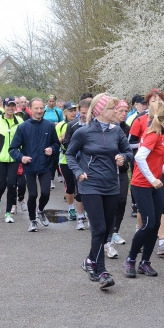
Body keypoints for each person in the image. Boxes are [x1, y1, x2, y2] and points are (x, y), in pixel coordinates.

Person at [67, 93, 133, 290]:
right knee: (99, 229)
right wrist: (78, 171)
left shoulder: (117, 131)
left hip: (111, 185)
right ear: (101, 111)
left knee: (106, 229)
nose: (117, 112)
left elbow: (129, 151)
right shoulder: (84, 132)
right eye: (113, 108)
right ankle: (102, 271)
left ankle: (90, 260)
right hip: (90, 185)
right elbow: (70, 154)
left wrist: (123, 157)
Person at [124, 100, 164, 278]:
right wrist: (153, 179)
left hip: (153, 183)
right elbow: (139, 159)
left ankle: (145, 263)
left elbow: (153, 161)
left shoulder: (160, 133)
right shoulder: (153, 134)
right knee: (148, 224)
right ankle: (131, 259)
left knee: (155, 224)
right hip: (141, 185)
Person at [9, 98, 60, 232]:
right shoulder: (23, 127)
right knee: (32, 195)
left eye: (41, 108)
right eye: (36, 108)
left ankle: (41, 210)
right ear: (30, 109)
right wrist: (22, 157)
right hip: (30, 166)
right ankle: (32, 220)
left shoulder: (49, 125)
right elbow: (12, 149)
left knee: (45, 193)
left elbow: (56, 144)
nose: (39, 111)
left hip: (45, 165)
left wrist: (52, 149)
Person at [104, 99, 131, 259]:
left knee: (121, 200)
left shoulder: (127, 129)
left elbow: (131, 150)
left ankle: (115, 231)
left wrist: (124, 157)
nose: (122, 114)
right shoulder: (105, 128)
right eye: (120, 110)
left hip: (121, 170)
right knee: (110, 203)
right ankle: (106, 236)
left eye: (125, 111)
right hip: (106, 171)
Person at [63, 98, 92, 230]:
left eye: (88, 112)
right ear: (79, 112)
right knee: (79, 191)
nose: (85, 115)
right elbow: (67, 144)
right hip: (78, 162)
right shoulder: (72, 126)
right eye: (83, 112)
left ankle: (91, 216)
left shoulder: (95, 124)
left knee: (92, 192)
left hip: (93, 163)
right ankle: (80, 218)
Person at [56, 101, 79, 221]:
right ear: (65, 112)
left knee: (81, 187)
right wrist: (61, 138)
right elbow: (54, 143)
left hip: (80, 159)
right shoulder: (60, 125)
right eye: (71, 110)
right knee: (70, 186)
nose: (73, 113)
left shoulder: (81, 124)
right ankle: (71, 209)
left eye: (75, 110)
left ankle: (83, 209)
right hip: (65, 160)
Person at [127, 93, 148, 217]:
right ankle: (135, 203)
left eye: (146, 103)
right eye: (142, 104)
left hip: (148, 154)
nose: (145, 106)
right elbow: (128, 140)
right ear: (136, 105)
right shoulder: (132, 118)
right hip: (135, 152)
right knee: (136, 177)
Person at [44, 94, 64, 189]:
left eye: (53, 101)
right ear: (47, 101)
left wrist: (57, 124)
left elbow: (62, 123)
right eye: (49, 101)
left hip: (55, 135)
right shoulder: (43, 110)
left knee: (54, 158)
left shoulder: (58, 111)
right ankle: (45, 177)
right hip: (44, 135)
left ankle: (51, 178)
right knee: (45, 156)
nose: (51, 103)